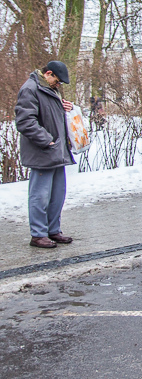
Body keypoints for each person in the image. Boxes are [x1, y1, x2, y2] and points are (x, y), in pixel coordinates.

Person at [15, 61, 76, 248]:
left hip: (56, 151)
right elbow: (25, 121)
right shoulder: (30, 89)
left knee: (57, 195)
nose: (58, 86)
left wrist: (65, 107)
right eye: (57, 82)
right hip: (43, 152)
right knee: (39, 196)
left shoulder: (49, 88)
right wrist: (47, 140)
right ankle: (38, 234)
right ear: (48, 74)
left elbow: (50, 113)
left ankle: (53, 230)